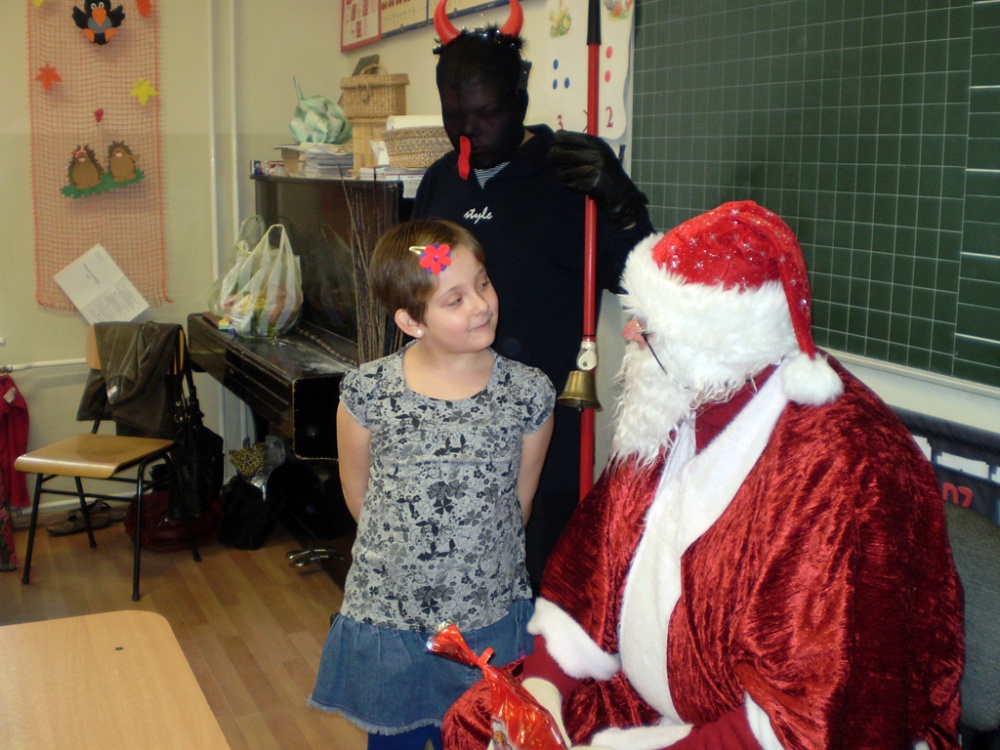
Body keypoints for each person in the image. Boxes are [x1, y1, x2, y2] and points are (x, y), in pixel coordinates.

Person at [442, 201, 964, 749]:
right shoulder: (676, 399)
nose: (632, 333)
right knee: (479, 723)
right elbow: (590, 571)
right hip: (647, 699)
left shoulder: (846, 469)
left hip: (762, 734)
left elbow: (817, 714)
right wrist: (541, 698)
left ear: (722, 340)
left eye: (654, 326)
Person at [413, 0, 656, 591]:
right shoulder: (440, 182)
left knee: (543, 582)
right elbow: (423, 281)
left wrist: (625, 207)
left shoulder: (569, 175)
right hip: (453, 425)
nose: (469, 131)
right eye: (454, 115)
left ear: (520, 95)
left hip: (545, 435)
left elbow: (641, 285)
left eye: (487, 113)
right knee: (457, 578)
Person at [309, 220, 556, 750]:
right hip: (391, 614)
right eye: (455, 299)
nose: (482, 305)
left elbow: (519, 502)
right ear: (411, 321)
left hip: (485, 612)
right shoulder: (368, 390)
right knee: (393, 739)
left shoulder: (528, 392)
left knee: (473, 737)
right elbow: (359, 496)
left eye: (483, 283)